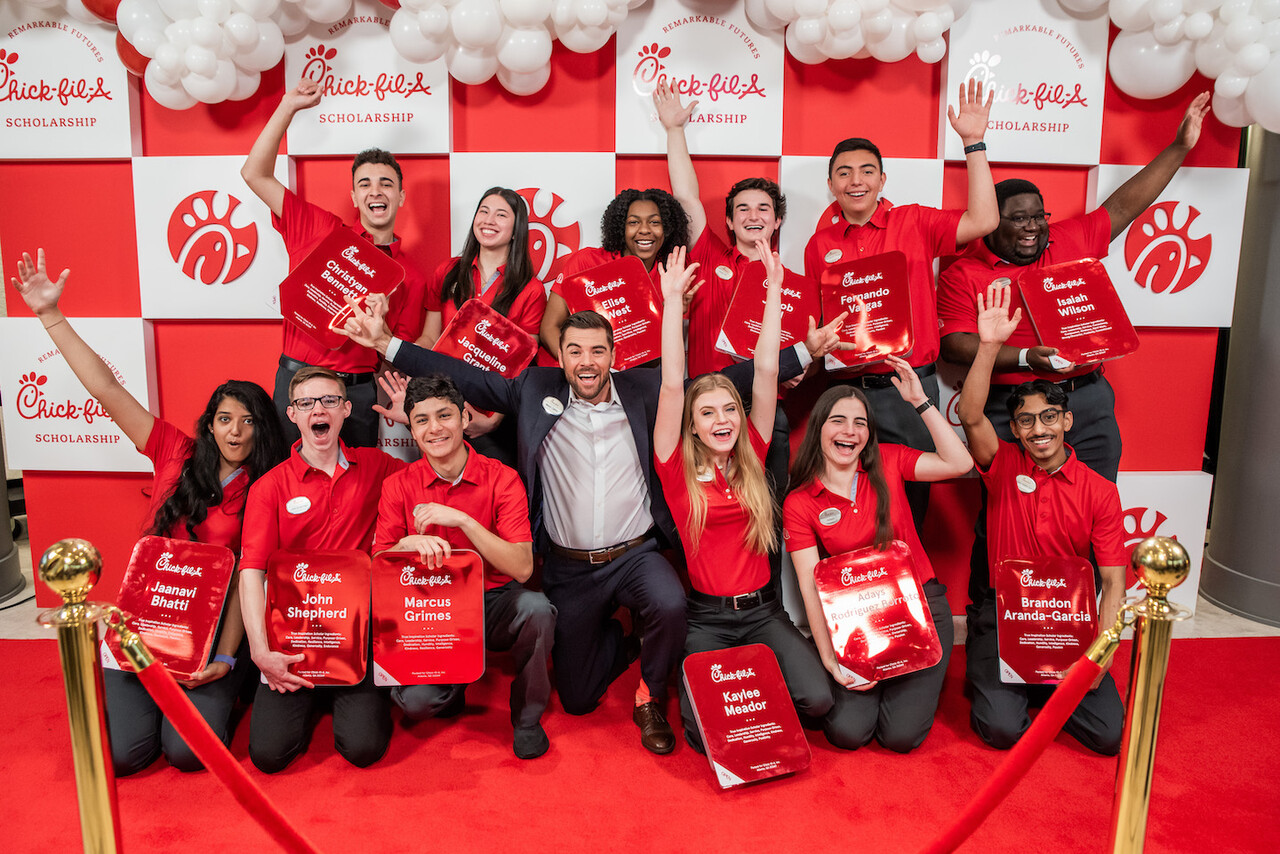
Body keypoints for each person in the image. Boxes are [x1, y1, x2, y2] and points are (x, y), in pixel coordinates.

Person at [334, 290, 846, 754]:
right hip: (569, 566)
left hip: (636, 554)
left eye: (597, 350)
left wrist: (805, 351)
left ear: (613, 355)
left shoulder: (644, 390)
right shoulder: (534, 388)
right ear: (561, 355)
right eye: (574, 350)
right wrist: (387, 343)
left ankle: (650, 694)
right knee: (578, 698)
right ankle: (618, 643)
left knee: (669, 601)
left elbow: (723, 383)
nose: (585, 361)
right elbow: (468, 378)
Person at [11, 249, 287, 775]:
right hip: (140, 627)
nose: (235, 431)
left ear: (262, 430)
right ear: (209, 425)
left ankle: (232, 685)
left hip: (206, 638)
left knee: (187, 757)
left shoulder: (265, 488)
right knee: (123, 758)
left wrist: (226, 659)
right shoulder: (173, 452)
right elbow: (106, 388)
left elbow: (245, 580)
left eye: (248, 421)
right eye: (224, 419)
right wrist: (50, 313)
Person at [938, 92, 1211, 484]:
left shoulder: (1068, 241)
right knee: (1010, 511)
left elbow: (1125, 206)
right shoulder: (964, 272)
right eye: (1018, 219)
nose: (1033, 227)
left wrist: (1179, 147)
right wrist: (1027, 357)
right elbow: (953, 344)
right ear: (992, 222)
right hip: (1012, 403)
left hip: (1086, 397)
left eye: (1038, 216)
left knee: (1096, 507)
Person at [654, 242, 848, 751]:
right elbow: (673, 385)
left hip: (764, 614)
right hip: (708, 621)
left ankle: (756, 685)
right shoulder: (674, 466)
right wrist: (673, 300)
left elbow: (765, 372)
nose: (722, 420)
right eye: (709, 413)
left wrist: (775, 289)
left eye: (729, 411)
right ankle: (737, 686)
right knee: (702, 738)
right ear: (692, 428)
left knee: (820, 704)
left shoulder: (754, 456)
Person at [803, 78, 996, 531]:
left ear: (882, 179)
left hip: (908, 388)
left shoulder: (914, 220)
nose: (856, 181)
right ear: (831, 182)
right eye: (845, 172)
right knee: (853, 508)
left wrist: (973, 143)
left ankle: (912, 592)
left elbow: (984, 219)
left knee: (909, 508)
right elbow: (821, 322)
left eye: (867, 170)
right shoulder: (819, 245)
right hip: (848, 392)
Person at [956, 282, 1126, 755]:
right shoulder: (1004, 462)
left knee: (1108, 736)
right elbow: (971, 415)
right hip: (1003, 611)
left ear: (1067, 422)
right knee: (1002, 731)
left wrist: (1098, 657)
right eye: (1027, 421)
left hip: (1068, 618)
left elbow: (1112, 584)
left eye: (1050, 417)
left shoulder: (1101, 491)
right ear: (1015, 429)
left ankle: (1041, 682)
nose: (1040, 429)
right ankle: (1004, 672)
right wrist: (989, 347)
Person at [783, 365, 972, 752]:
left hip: (919, 611)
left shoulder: (889, 462)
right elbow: (809, 585)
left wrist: (920, 402)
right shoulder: (801, 501)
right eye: (838, 421)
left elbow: (960, 463)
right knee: (848, 733)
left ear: (869, 433)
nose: (849, 431)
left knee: (900, 737)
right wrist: (832, 662)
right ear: (819, 427)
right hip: (859, 623)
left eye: (860, 423)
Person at [373, 375, 555, 760]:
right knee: (416, 704)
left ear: (464, 418)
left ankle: (526, 718)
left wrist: (465, 522)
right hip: (430, 609)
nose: (435, 428)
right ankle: (452, 687)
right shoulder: (398, 485)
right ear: (413, 431)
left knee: (537, 609)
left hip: (493, 600)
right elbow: (379, 563)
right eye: (421, 420)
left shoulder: (502, 478)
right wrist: (404, 545)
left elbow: (523, 568)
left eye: (444, 416)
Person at [241, 76, 428, 448]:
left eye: (386, 183)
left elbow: (393, 356)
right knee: (288, 489)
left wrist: (381, 335)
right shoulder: (319, 229)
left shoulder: (412, 276)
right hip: (297, 384)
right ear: (355, 197)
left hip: (356, 396)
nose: (376, 190)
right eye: (365, 184)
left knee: (353, 497)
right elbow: (254, 174)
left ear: (401, 196)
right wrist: (288, 106)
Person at [239, 366, 406, 772]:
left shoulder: (378, 466)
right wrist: (262, 653)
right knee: (267, 756)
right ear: (292, 414)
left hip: (355, 636)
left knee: (363, 749)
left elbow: (433, 471)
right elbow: (251, 572)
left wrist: (409, 420)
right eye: (307, 402)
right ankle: (311, 697)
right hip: (292, 638)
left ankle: (339, 697)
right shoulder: (270, 487)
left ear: (347, 409)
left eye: (330, 400)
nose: (320, 409)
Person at [417, 187, 547, 466]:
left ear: (516, 230)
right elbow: (429, 337)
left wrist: (492, 420)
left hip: (492, 414)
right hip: (441, 407)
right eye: (483, 211)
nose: (488, 220)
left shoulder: (531, 289)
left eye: (501, 215)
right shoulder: (447, 271)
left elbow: (522, 363)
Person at [538, 187, 690, 361]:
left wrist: (673, 310)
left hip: (632, 377)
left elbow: (656, 354)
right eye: (633, 222)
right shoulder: (586, 262)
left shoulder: (670, 278)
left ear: (668, 229)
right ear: (620, 228)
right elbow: (549, 327)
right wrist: (578, 364)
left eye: (655, 222)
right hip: (568, 372)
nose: (645, 230)